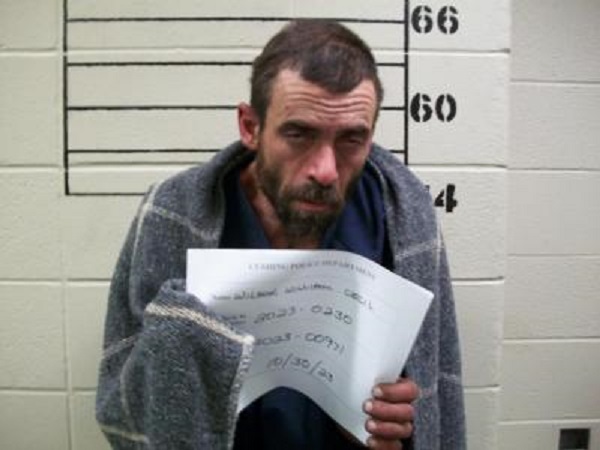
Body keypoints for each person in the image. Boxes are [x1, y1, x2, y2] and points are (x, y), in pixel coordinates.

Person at [96, 19, 465, 450]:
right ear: (250, 127)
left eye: (351, 139)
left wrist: (392, 424)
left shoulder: (404, 217)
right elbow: (120, 406)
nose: (325, 171)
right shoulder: (172, 215)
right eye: (298, 134)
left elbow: (436, 393)